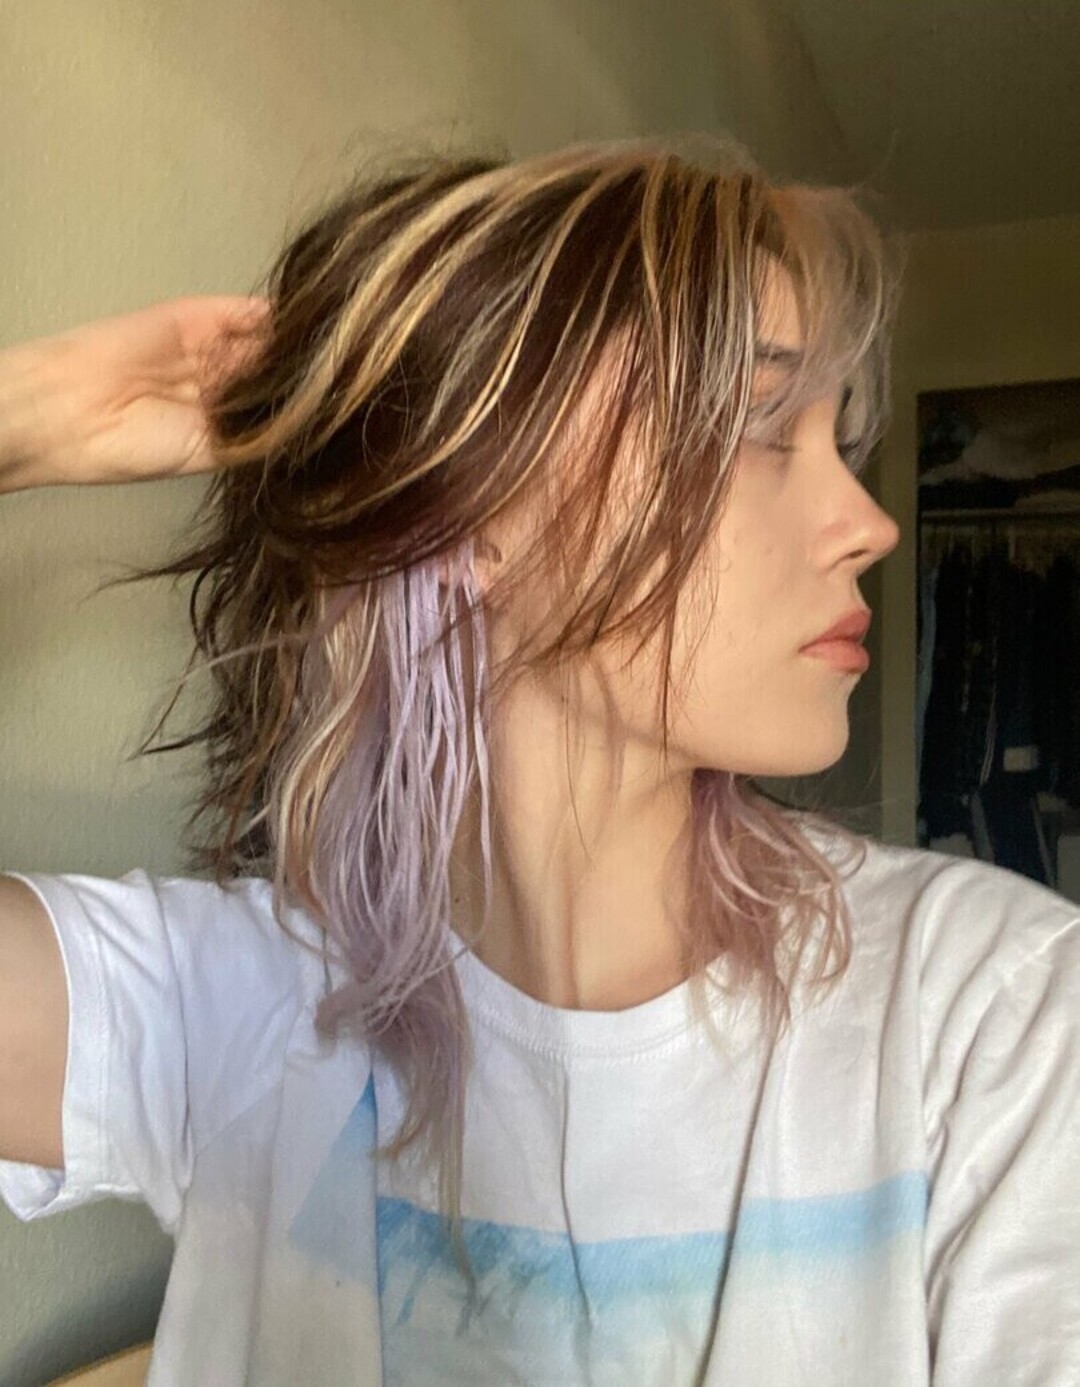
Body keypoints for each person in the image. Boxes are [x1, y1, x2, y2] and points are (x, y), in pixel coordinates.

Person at [0, 138, 1076, 1387]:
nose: (871, 522)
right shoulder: (237, 1010)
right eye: (762, 424)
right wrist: (26, 416)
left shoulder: (993, 1016)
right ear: (463, 509)